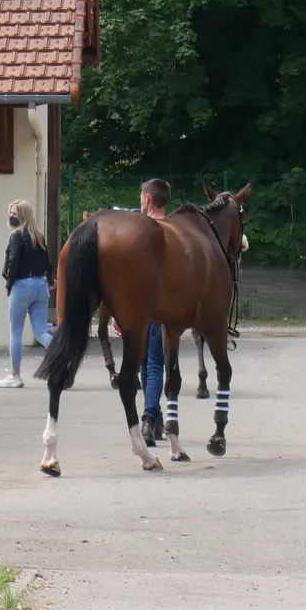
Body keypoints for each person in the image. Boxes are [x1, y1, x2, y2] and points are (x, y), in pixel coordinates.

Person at [0, 200, 52, 388]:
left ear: (23, 215)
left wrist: (8, 283)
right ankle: (61, 358)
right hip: (40, 285)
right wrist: (50, 282)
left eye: (14, 212)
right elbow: (47, 262)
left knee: (15, 333)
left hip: (21, 286)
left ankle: (15, 375)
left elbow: (12, 263)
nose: (11, 215)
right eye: (11, 211)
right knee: (41, 332)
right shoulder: (39, 236)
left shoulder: (16, 236)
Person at [137, 178, 172, 441]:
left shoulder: (141, 231)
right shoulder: (174, 231)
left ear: (148, 199)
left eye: (141, 196)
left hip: (142, 306)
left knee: (148, 363)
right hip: (166, 305)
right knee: (152, 363)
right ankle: (156, 417)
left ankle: (148, 419)